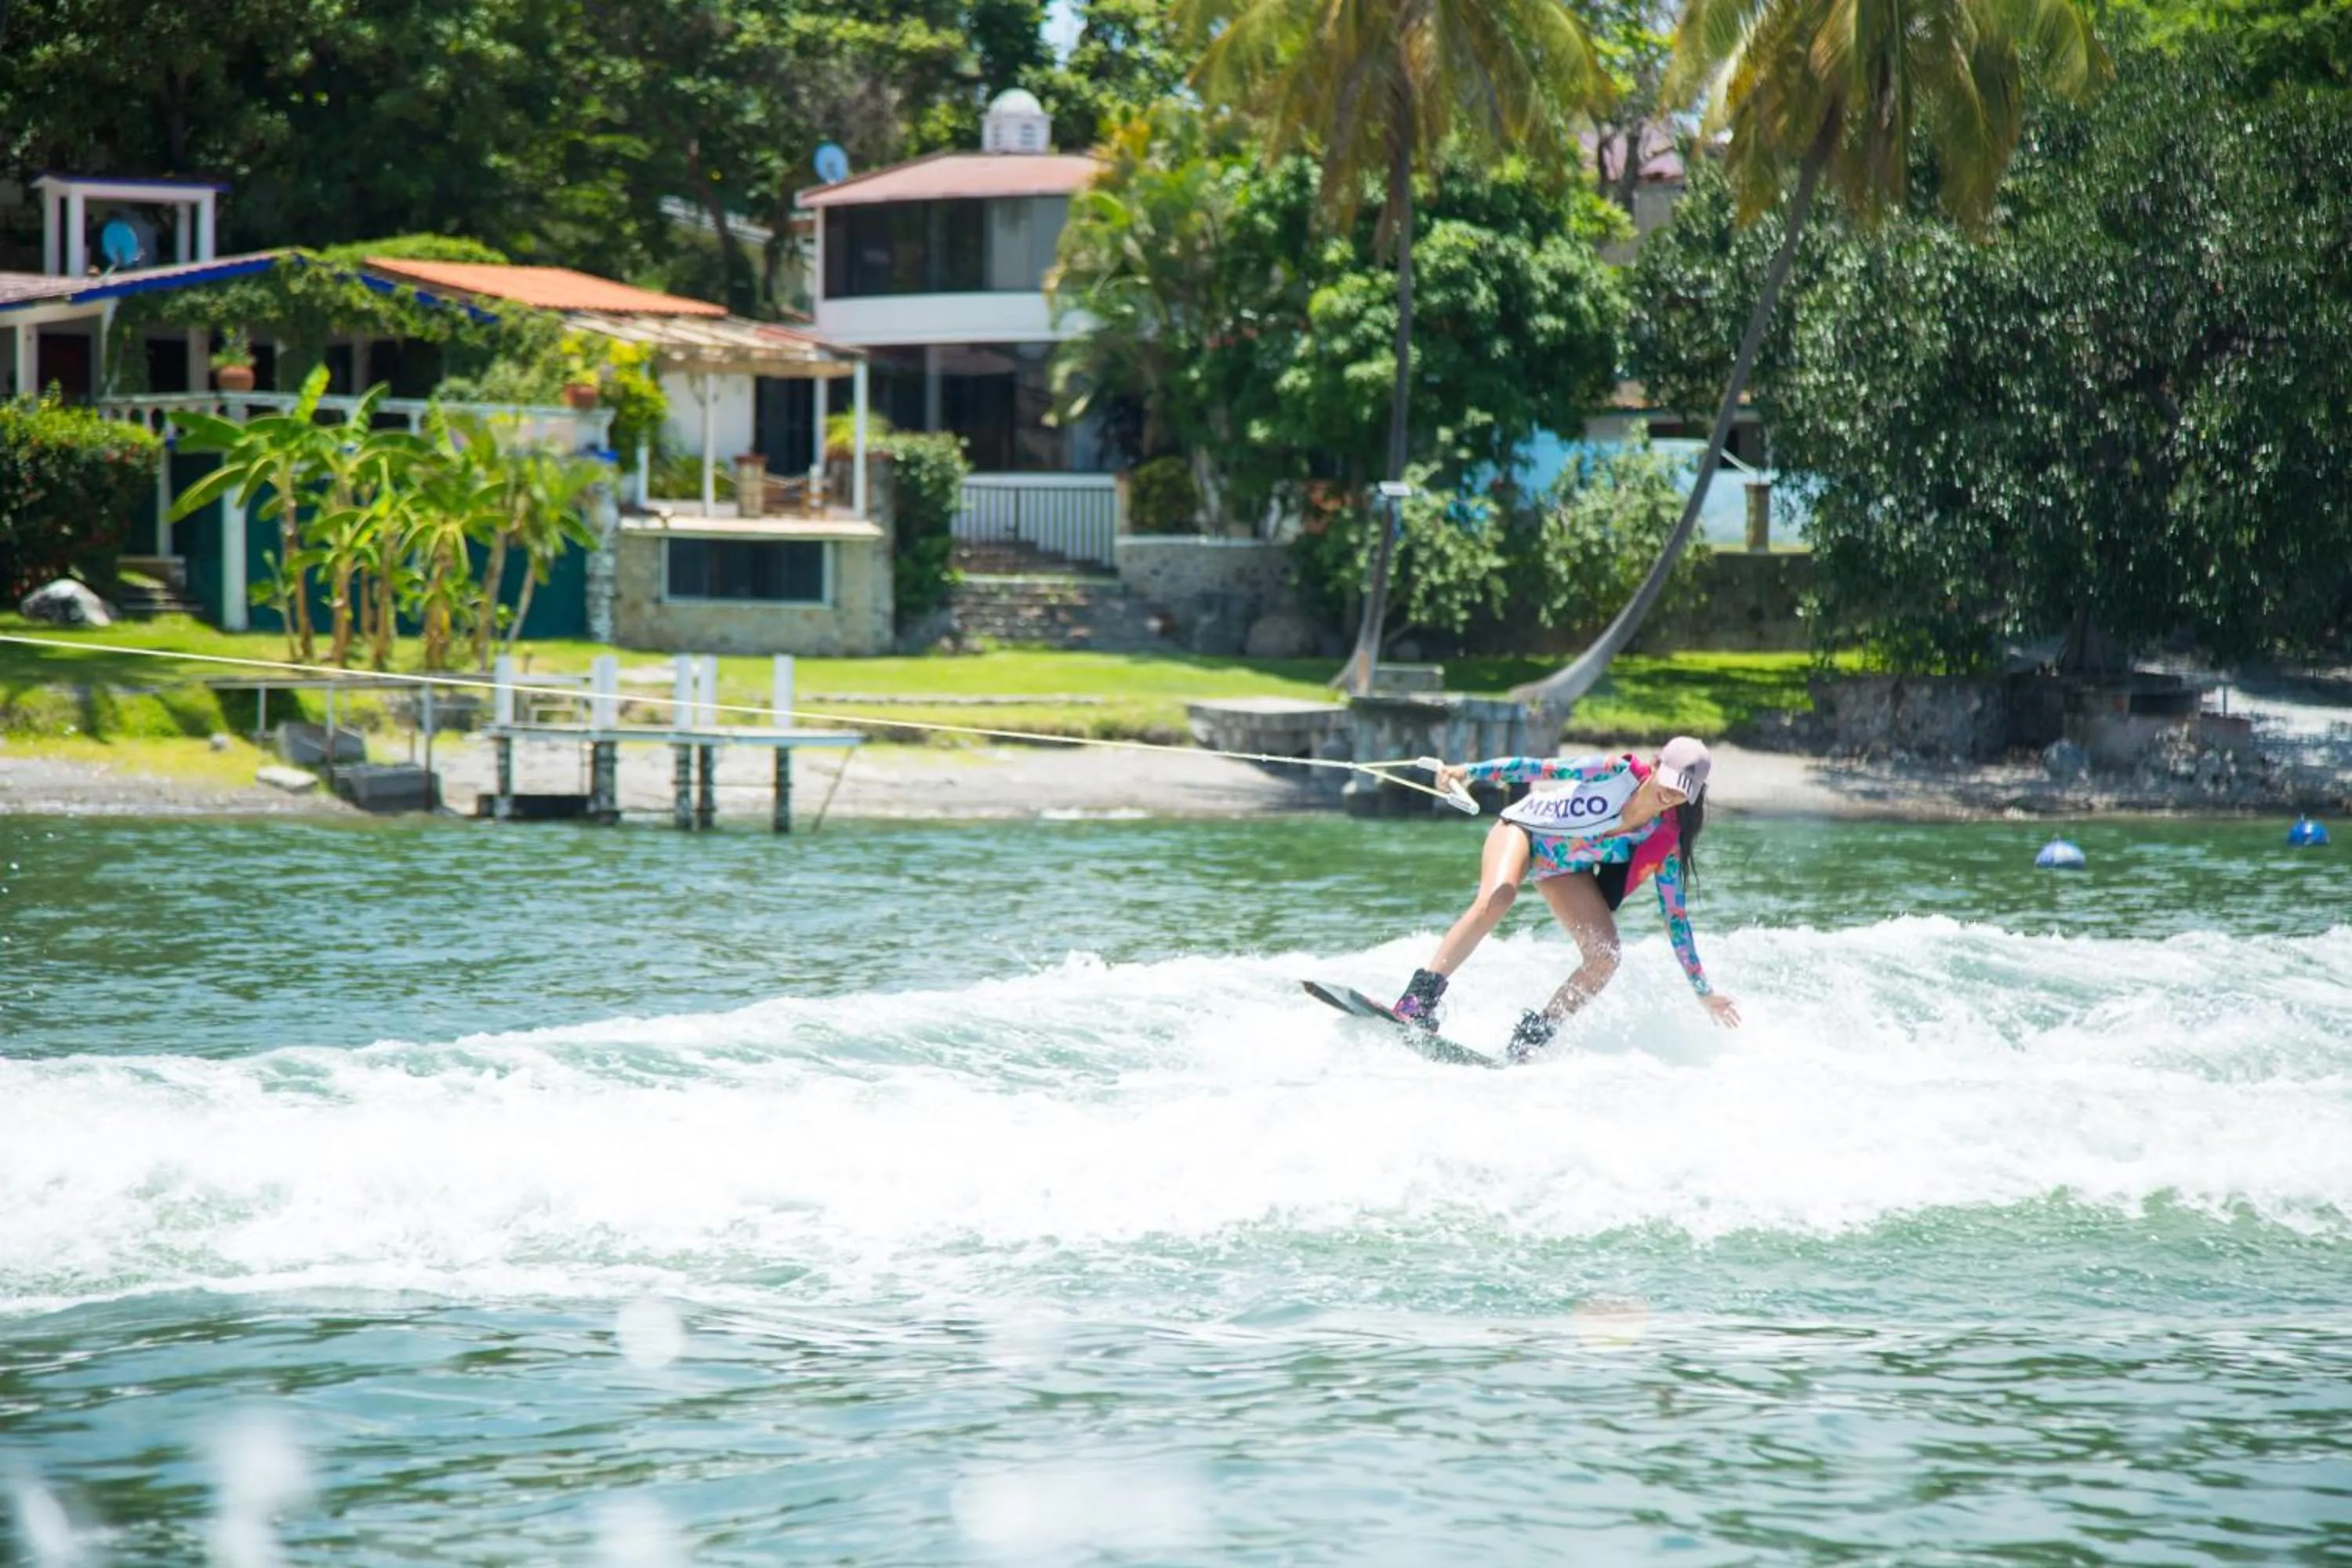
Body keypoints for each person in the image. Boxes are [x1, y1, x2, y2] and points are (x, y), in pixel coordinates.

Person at [1392, 735, 1740, 1060]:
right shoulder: (1612, 773)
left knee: (1605, 956)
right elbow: (1537, 767)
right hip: (1524, 832)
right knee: (1500, 896)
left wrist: (1702, 988)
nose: (1672, 796)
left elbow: (1676, 918)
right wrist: (1470, 771)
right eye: (1670, 783)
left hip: (1563, 871)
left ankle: (1531, 1039)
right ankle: (1417, 1000)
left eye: (1683, 792)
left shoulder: (1663, 841)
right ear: (1655, 764)